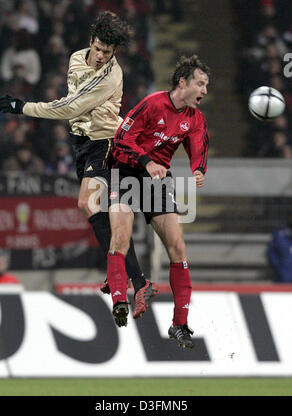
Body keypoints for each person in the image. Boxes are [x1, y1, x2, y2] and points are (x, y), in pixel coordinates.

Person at [0, 11, 157, 319]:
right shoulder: (75, 59)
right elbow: (73, 101)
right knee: (96, 211)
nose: (100, 56)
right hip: (83, 145)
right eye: (98, 49)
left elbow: (71, 106)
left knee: (88, 203)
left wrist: (23, 107)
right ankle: (138, 281)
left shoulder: (111, 75)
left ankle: (124, 278)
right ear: (90, 42)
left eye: (107, 53)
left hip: (107, 142)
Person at [106, 55, 210, 348]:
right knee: (121, 237)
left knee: (178, 247)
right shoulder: (152, 104)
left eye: (206, 85)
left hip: (157, 180)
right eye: (200, 83)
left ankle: (180, 324)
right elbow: (121, 138)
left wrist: (198, 170)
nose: (204, 90)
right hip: (125, 171)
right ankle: (118, 300)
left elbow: (198, 148)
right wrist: (147, 160)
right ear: (183, 83)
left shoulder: (195, 119)